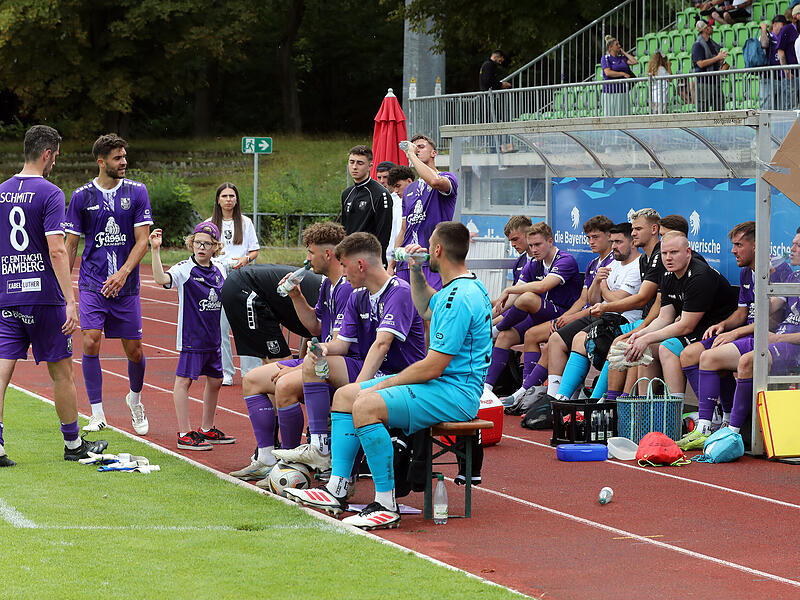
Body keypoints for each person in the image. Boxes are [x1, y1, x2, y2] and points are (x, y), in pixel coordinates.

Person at [285, 222, 492, 530]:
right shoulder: (460, 288)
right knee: (345, 395)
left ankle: (385, 503)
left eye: (428, 245)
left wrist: (384, 383)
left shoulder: (458, 298)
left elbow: (433, 366)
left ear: (437, 249)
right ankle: (338, 488)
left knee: (366, 404)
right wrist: (418, 271)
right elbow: (425, 305)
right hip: (443, 386)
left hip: (455, 394)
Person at [273, 232, 426, 472]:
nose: (342, 272)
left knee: (344, 397)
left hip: (402, 377)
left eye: (344, 265)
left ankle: (341, 476)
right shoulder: (358, 294)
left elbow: (382, 344)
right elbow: (341, 344)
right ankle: (319, 449)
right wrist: (323, 348)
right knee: (312, 364)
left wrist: (360, 388)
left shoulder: (399, 291)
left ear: (361, 265)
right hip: (372, 368)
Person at [0, 125, 108, 465]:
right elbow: (57, 250)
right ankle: (74, 444)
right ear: (47, 153)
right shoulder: (50, 192)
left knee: (2, 372)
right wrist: (71, 300)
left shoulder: (1, 191)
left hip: (7, 293)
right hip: (44, 297)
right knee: (62, 372)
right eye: (56, 156)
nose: (55, 163)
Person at [228, 222, 353, 481]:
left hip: (343, 362)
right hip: (323, 358)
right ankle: (266, 458)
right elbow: (316, 325)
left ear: (327, 255)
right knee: (252, 380)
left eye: (310, 252)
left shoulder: (347, 286)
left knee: (284, 384)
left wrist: (301, 363)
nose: (306, 259)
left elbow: (342, 343)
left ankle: (291, 464)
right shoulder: (327, 285)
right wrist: (296, 296)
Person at [64, 134, 152, 435]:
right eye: (117, 157)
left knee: (135, 351)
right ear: (101, 162)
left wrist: (124, 272)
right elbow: (71, 245)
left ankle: (135, 400)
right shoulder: (81, 196)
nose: (124, 161)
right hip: (92, 284)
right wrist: (63, 287)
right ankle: (97, 412)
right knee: (89, 340)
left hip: (126, 287)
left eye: (125, 156)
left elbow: (142, 240)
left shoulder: (138, 192)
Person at [676, 222, 791, 449]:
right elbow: (741, 313)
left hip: (765, 337)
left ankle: (713, 426)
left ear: (756, 245)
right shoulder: (746, 271)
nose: (733, 251)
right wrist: (724, 325)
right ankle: (718, 415)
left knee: (711, 358)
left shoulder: (780, 271)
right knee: (689, 354)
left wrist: (735, 332)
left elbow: (769, 318)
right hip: (744, 333)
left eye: (739, 245)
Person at [509, 215, 615, 406]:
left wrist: (569, 317)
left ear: (610, 237)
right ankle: (528, 390)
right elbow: (585, 299)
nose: (591, 241)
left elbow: (599, 305)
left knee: (553, 341)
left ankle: (553, 396)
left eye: (596, 237)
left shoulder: (612, 262)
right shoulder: (592, 264)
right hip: (579, 314)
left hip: (600, 318)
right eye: (589, 237)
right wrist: (566, 318)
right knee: (531, 334)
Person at [150, 222, 236, 450]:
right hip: (192, 338)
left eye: (207, 244)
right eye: (198, 243)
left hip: (213, 338)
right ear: (192, 243)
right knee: (184, 381)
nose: (201, 247)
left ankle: (206, 429)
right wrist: (155, 250)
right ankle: (184, 433)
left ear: (215, 247)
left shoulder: (219, 268)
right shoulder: (184, 269)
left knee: (216, 380)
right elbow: (161, 279)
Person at [624, 232, 738, 399]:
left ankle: (674, 412)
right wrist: (640, 335)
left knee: (667, 348)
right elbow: (665, 317)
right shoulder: (667, 273)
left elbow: (686, 325)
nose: (668, 258)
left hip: (720, 326)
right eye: (664, 253)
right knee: (646, 349)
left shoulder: (700, 275)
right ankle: (644, 412)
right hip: (699, 325)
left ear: (688, 252)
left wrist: (647, 338)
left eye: (674, 252)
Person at [543, 223, 643, 404]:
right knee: (560, 339)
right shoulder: (614, 264)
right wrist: (597, 282)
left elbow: (616, 303)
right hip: (603, 313)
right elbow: (594, 300)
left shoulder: (637, 266)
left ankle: (594, 402)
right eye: (612, 242)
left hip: (623, 318)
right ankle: (558, 397)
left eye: (619, 242)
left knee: (586, 340)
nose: (614, 247)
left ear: (633, 243)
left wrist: (603, 286)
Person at [484, 222, 581, 392]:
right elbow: (512, 299)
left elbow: (543, 286)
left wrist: (509, 289)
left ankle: (526, 391)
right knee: (505, 336)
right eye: (531, 245)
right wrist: (486, 321)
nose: (534, 249)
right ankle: (487, 390)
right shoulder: (534, 264)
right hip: (542, 314)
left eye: (538, 244)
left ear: (550, 241)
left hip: (564, 315)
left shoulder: (565, 259)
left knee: (528, 298)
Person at [205, 182, 260, 385]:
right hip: (218, 278)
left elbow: (254, 249)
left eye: (232, 196)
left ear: (236, 199)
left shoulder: (245, 223)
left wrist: (246, 259)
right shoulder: (209, 224)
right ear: (218, 200)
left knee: (245, 324)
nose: (228, 199)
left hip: (242, 277)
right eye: (224, 196)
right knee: (220, 327)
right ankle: (226, 371)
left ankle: (251, 370)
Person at [220, 264, 322, 365]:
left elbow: (312, 336)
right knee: (284, 365)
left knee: (289, 367)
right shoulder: (330, 297)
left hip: (244, 283)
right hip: (245, 288)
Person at [391, 135, 458, 290]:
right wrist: (392, 263)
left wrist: (412, 155)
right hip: (405, 263)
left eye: (420, 147)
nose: (415, 150)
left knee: (429, 310)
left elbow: (434, 182)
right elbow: (403, 229)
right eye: (413, 147)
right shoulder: (409, 189)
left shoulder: (447, 177)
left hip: (431, 259)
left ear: (434, 153)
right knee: (408, 312)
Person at [340, 145, 393, 264]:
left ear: (370, 166)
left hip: (369, 259)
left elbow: (384, 233)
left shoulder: (380, 194)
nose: (354, 167)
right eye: (351, 162)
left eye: (360, 163)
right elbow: (344, 229)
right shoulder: (347, 194)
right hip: (349, 258)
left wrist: (377, 261)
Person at [692, 20, 728, 112]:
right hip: (704, 82)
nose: (712, 28)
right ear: (705, 29)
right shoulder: (697, 45)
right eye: (710, 26)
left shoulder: (712, 44)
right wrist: (717, 58)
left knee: (720, 107)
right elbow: (700, 63)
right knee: (703, 109)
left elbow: (713, 61)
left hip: (715, 81)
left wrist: (720, 61)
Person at [600, 35, 637, 116]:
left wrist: (623, 52)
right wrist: (622, 74)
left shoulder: (622, 58)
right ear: (611, 47)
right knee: (611, 114)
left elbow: (634, 62)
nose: (619, 46)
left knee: (624, 113)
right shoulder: (606, 58)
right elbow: (608, 72)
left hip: (623, 91)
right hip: (611, 91)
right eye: (616, 44)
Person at [385, 164, 411, 266]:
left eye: (398, 186)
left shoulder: (422, 200)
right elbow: (401, 232)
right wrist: (392, 263)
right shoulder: (394, 201)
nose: (396, 190)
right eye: (394, 187)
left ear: (409, 181)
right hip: (397, 259)